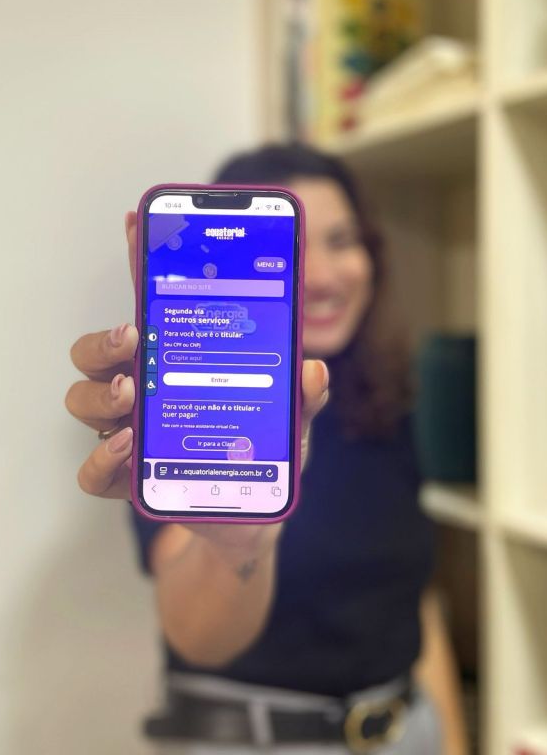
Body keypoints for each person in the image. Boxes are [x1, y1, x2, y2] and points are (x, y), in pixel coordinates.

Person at [66, 144, 468, 754]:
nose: (325, 275)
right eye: (294, 247)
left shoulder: (388, 398)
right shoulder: (198, 406)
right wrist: (240, 543)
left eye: (341, 240)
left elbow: (413, 597)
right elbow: (198, 635)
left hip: (411, 730)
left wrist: (451, 739)